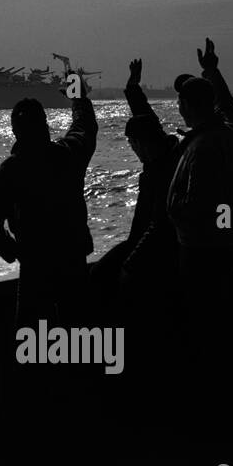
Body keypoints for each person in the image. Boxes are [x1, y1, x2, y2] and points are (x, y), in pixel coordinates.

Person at [0, 80, 98, 326]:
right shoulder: (69, 154)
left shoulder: (11, 169)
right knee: (79, 333)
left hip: (35, 266)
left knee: (32, 341)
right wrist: (78, 97)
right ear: (45, 124)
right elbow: (84, 127)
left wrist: (14, 252)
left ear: (15, 131)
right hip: (73, 259)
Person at [166, 38, 233, 350]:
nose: (178, 108)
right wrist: (212, 70)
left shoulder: (204, 146)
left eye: (181, 102)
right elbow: (228, 106)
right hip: (226, 240)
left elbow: (197, 204)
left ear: (187, 106)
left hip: (201, 248)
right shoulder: (228, 129)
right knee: (222, 306)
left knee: (202, 317)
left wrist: (172, 206)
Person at [92, 58, 182, 295]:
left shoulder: (164, 169)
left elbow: (159, 224)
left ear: (142, 143)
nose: (133, 150)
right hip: (147, 239)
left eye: (133, 145)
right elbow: (144, 113)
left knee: (109, 278)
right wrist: (133, 85)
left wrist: (132, 261)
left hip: (161, 244)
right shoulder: (163, 146)